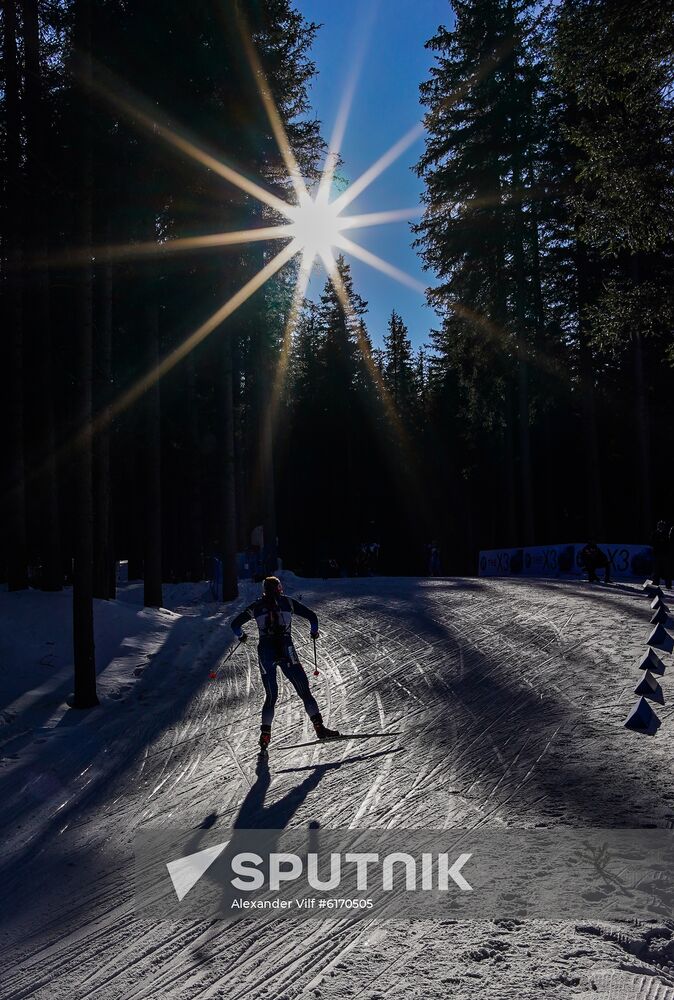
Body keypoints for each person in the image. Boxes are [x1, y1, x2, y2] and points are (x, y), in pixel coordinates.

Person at [230, 576, 339, 750]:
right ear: (279, 588)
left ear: (264, 590)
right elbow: (312, 617)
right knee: (304, 691)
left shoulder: (256, 606)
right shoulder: (288, 602)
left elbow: (235, 624)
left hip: (265, 651)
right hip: (286, 648)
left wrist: (242, 636)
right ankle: (319, 728)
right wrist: (314, 633)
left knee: (271, 696)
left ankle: (265, 736)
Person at [652, 520, 672, 589]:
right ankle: (655, 585)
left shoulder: (667, 534)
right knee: (656, 572)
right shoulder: (655, 533)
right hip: (657, 555)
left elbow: (669, 544)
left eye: (662, 526)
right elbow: (652, 542)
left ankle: (668, 585)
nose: (660, 527)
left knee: (667, 572)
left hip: (665, 555)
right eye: (659, 526)